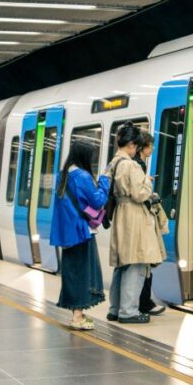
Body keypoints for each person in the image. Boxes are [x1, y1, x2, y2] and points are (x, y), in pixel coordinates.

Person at [50, 140, 111, 330]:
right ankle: (77, 317)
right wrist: (104, 180)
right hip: (81, 232)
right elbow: (98, 200)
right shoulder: (82, 176)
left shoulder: (62, 175)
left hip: (67, 233)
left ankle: (77, 313)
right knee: (83, 273)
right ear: (84, 156)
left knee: (72, 272)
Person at [106, 122, 162, 324]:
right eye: (136, 146)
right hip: (134, 216)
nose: (137, 150)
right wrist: (147, 181)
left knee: (122, 264)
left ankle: (115, 308)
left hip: (121, 213)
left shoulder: (113, 163)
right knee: (136, 262)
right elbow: (140, 193)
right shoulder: (130, 165)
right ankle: (128, 311)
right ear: (131, 144)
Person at [133, 130, 167, 316]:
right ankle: (143, 303)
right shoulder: (137, 165)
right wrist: (147, 185)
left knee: (144, 263)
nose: (152, 149)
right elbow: (139, 193)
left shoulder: (139, 164)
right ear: (142, 147)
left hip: (139, 218)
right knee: (145, 263)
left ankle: (143, 301)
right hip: (141, 219)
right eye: (150, 146)